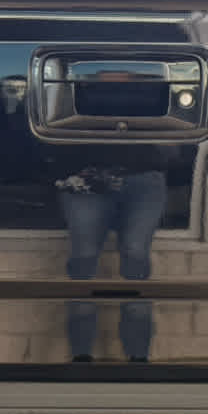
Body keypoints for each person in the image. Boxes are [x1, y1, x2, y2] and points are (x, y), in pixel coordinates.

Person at [54, 142, 168, 362]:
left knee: (136, 261)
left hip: (143, 171)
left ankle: (138, 362)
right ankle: (81, 360)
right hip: (84, 172)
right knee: (83, 266)